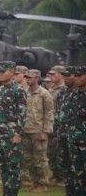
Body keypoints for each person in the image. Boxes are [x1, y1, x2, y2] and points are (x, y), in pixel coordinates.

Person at [0, 61, 27, 196]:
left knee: (14, 167)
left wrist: (18, 134)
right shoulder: (1, 90)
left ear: (12, 72)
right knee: (3, 166)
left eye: (3, 72)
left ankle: (13, 193)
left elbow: (22, 113)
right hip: (0, 134)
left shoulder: (18, 90)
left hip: (12, 135)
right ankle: (6, 192)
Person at [23, 69, 54, 193]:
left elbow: (49, 113)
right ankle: (35, 182)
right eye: (27, 77)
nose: (28, 79)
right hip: (26, 131)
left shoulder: (44, 94)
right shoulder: (25, 92)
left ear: (37, 78)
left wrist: (46, 131)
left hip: (38, 131)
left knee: (40, 160)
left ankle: (42, 184)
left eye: (30, 77)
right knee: (28, 159)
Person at [53, 66, 77, 196]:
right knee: (66, 168)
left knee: (78, 169)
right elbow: (58, 114)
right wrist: (56, 133)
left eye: (69, 75)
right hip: (62, 135)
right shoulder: (62, 93)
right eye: (65, 75)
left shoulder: (81, 94)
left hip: (77, 137)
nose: (66, 78)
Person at [68, 66, 86, 195]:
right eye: (76, 75)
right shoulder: (74, 94)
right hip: (74, 140)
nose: (76, 78)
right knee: (77, 172)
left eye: (80, 76)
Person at [48, 65, 67, 186]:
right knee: (51, 151)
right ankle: (56, 175)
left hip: (60, 123)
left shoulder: (64, 89)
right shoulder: (52, 89)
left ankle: (62, 177)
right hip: (51, 123)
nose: (51, 76)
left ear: (61, 75)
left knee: (60, 150)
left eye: (54, 74)